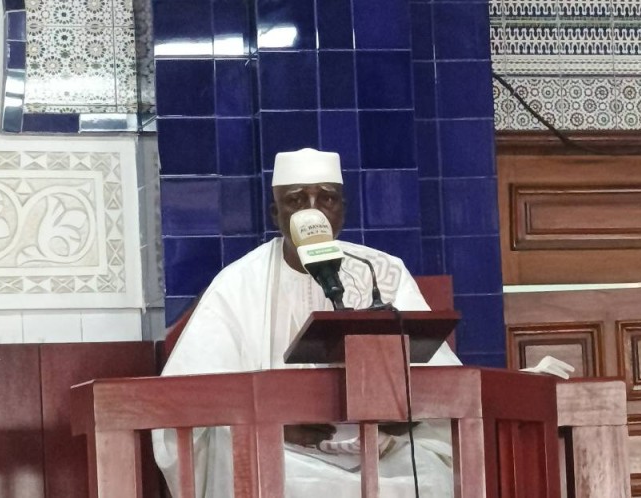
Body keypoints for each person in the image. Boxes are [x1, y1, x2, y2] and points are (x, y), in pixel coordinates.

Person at [153, 148, 461, 497]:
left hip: (381, 450)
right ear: (276, 214)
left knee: (429, 472)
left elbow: (441, 379)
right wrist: (272, 420)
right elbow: (189, 395)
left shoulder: (382, 272)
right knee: (244, 459)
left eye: (326, 199)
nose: (312, 212)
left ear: (342, 208)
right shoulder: (239, 283)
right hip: (282, 452)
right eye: (296, 200)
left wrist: (404, 411)